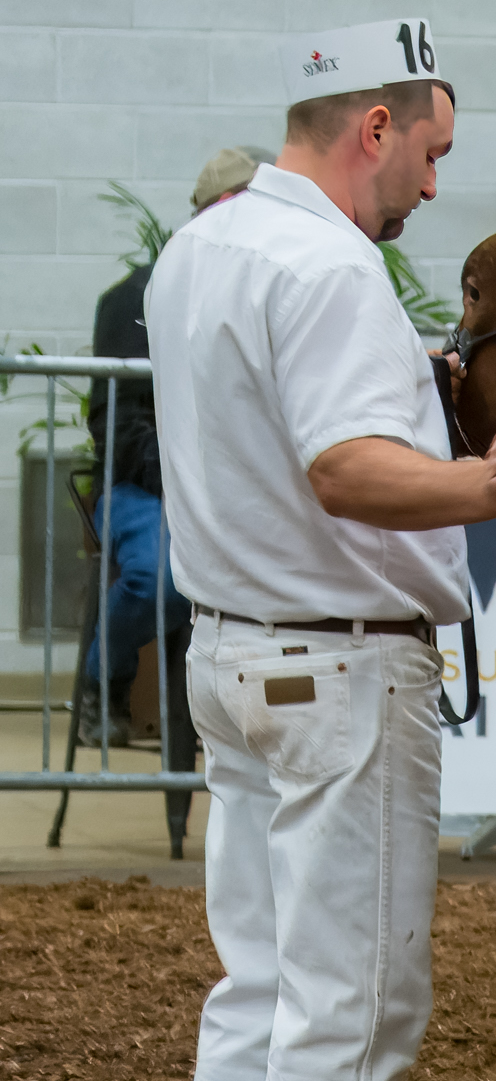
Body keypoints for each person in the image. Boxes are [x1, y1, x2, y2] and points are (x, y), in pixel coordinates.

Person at [151, 20, 496, 1081]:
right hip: (338, 660)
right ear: (371, 127)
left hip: (235, 648)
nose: (433, 184)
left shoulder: (202, 245)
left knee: (259, 988)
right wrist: (484, 482)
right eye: (430, 152)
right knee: (354, 997)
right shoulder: (330, 264)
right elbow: (342, 467)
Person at [71, 149, 260, 752]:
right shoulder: (136, 297)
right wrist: (192, 474)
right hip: (144, 486)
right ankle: (104, 679)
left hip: (233, 485)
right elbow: (118, 424)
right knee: (163, 578)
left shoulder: (261, 291)